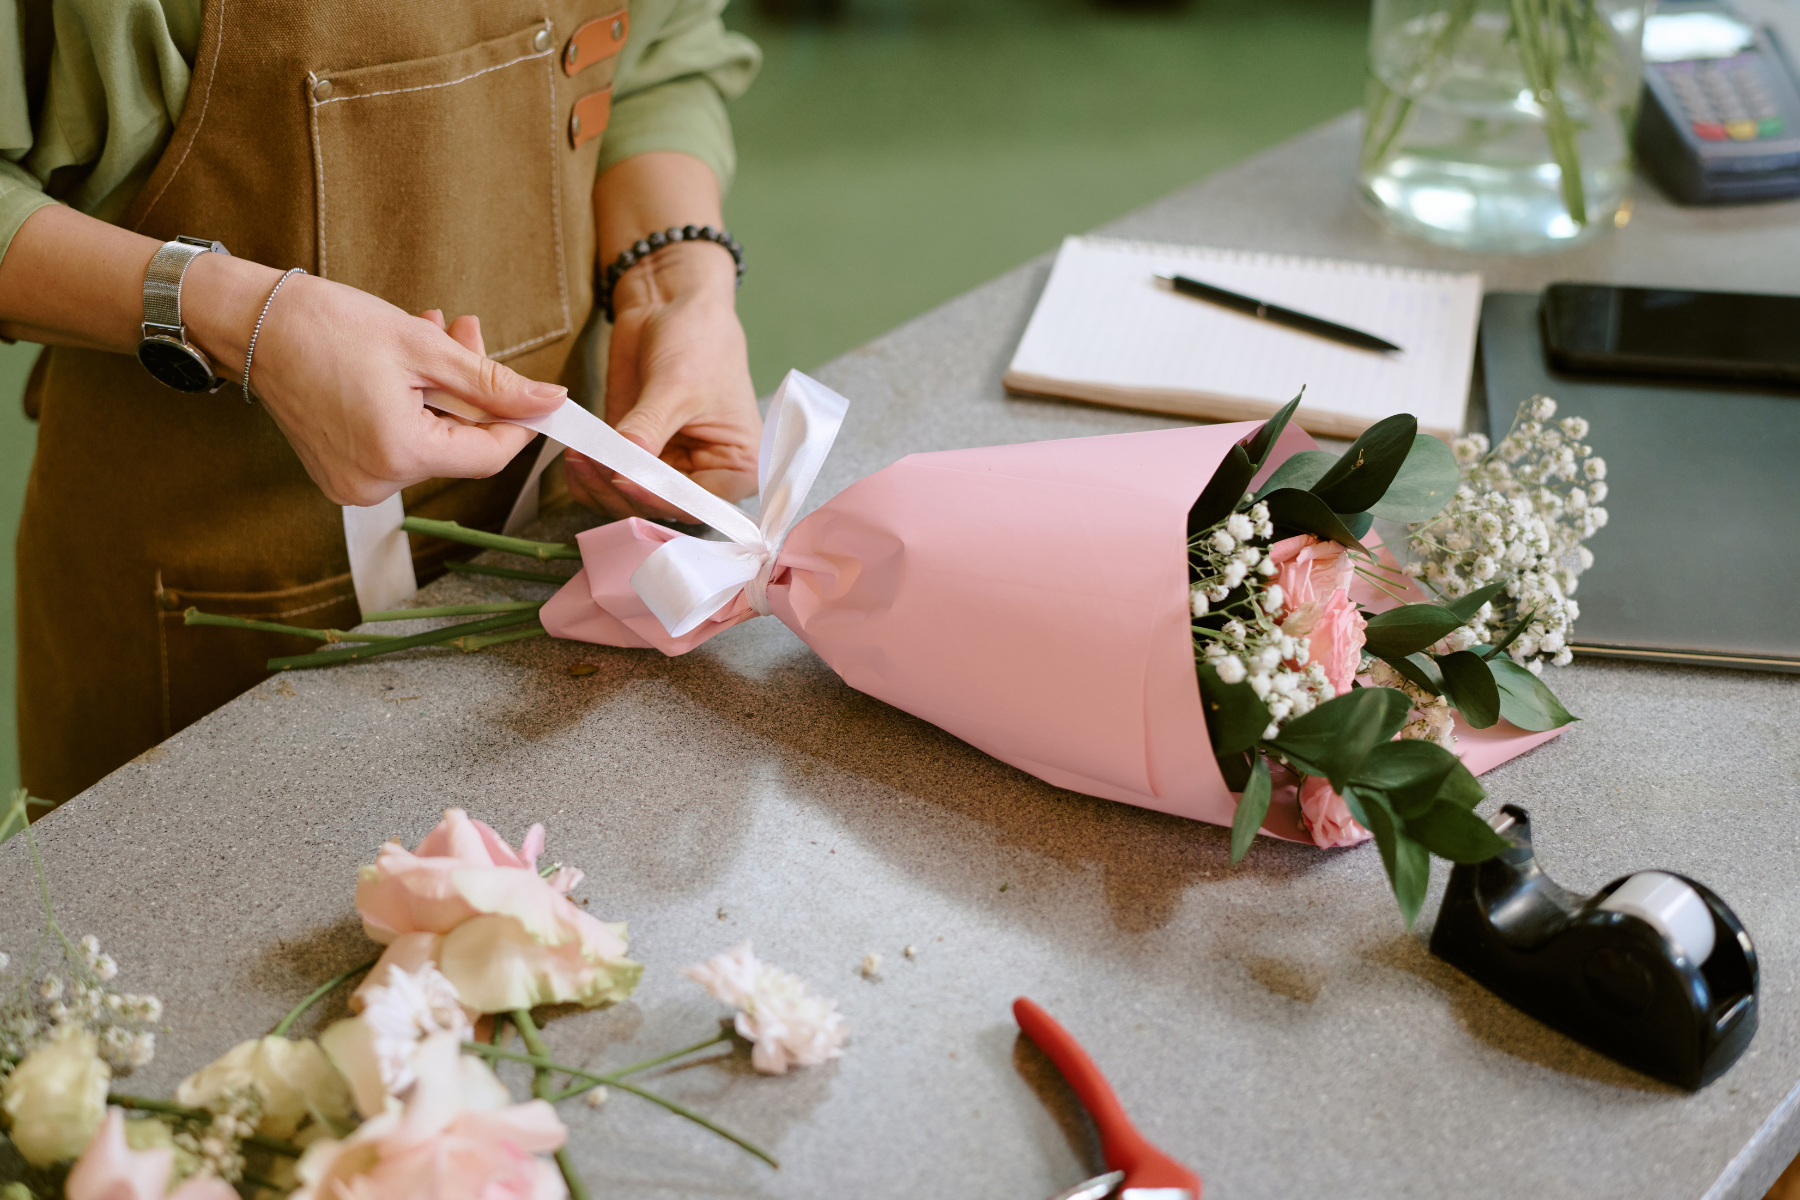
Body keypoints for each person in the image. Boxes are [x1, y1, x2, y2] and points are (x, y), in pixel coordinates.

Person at [0, 0, 764, 803]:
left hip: (557, 542)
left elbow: (654, 58)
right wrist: (239, 318)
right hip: (211, 616)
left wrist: (675, 284)